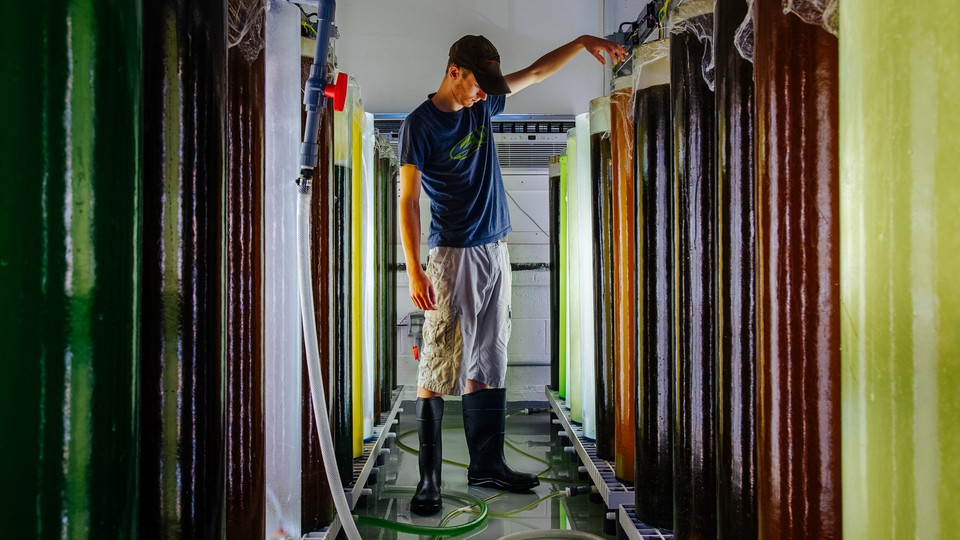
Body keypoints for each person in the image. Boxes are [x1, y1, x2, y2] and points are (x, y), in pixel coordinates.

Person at [398, 33, 627, 516]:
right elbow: (409, 201)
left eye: (488, 88)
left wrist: (582, 41)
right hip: (451, 255)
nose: (483, 95)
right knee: (438, 365)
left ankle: (486, 464)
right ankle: (429, 482)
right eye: (477, 85)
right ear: (453, 71)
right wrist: (414, 270)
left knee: (490, 358)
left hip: (493, 250)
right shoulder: (419, 125)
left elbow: (538, 72)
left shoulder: (482, 104)